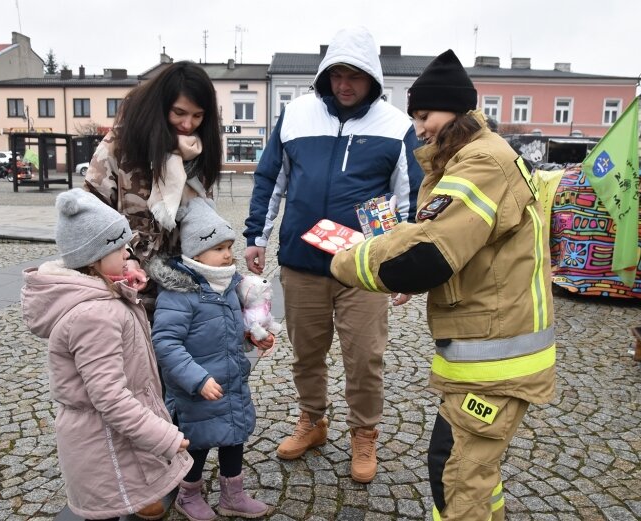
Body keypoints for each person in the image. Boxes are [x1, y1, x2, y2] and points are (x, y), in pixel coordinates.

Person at [330, 49, 556, 520]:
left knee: (455, 476)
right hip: (495, 354)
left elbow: (425, 257)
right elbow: (457, 244)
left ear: (456, 109)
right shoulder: (482, 156)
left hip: (495, 361)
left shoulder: (480, 163)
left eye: (425, 114)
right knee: (475, 474)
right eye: (413, 116)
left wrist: (345, 262)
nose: (418, 128)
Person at [243, 26, 424, 483]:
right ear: (326, 75)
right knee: (306, 353)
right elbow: (271, 180)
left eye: (356, 76)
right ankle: (313, 420)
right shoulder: (295, 115)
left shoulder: (396, 126)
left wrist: (402, 268)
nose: (345, 85)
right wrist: (256, 237)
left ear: (373, 79)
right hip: (303, 264)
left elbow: (410, 201)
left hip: (364, 270)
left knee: (364, 357)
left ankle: (364, 433)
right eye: (338, 75)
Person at [21, 188, 192, 521]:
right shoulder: (94, 316)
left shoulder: (101, 297)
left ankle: (140, 497)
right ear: (93, 259)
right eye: (120, 249)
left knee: (123, 492)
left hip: (114, 436)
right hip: (102, 441)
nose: (129, 254)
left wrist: (124, 283)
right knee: (107, 507)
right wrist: (165, 437)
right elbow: (110, 398)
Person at [147, 197, 274, 521]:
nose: (228, 254)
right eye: (219, 248)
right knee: (197, 443)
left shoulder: (227, 286)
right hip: (197, 390)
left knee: (234, 437)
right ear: (194, 251)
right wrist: (197, 379)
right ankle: (188, 495)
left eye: (230, 246)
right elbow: (166, 342)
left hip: (230, 382)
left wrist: (249, 339)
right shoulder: (179, 294)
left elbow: (229, 331)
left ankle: (233, 495)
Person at [84, 60, 223, 314]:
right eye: (179, 112)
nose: (188, 124)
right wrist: (126, 260)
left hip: (182, 295)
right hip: (127, 289)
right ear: (160, 107)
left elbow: (203, 219)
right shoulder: (120, 145)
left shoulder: (199, 152)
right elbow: (91, 212)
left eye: (197, 115)